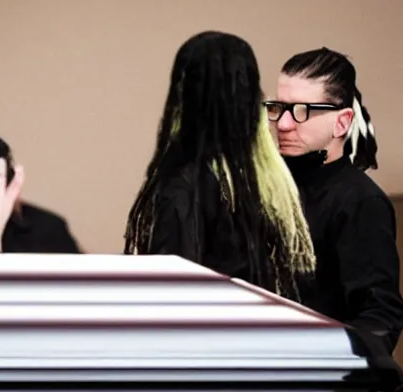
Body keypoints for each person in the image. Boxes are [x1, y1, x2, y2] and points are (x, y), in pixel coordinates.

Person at [123, 31, 315, 300]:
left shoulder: (185, 185)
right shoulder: (272, 188)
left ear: (184, 97)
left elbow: (171, 296)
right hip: (259, 335)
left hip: (217, 336)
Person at [264, 47, 403, 352]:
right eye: (278, 108)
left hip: (315, 383)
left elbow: (379, 315)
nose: (283, 124)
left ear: (342, 123)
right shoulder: (266, 191)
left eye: (302, 110)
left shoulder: (360, 202)